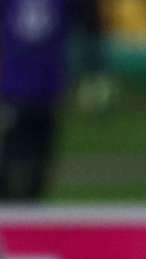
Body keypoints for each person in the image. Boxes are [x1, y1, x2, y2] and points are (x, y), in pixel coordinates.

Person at [0, 0, 104, 201]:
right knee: (14, 158)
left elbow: (91, 22)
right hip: (19, 88)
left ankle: (26, 213)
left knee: (36, 163)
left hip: (43, 88)